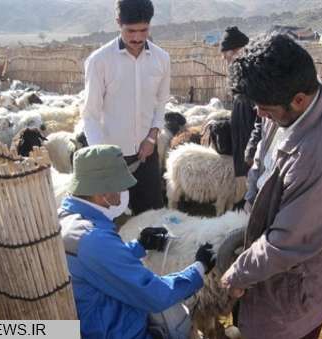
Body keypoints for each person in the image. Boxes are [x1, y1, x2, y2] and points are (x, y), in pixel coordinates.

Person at [220, 34, 322, 339]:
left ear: (298, 100)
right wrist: (250, 202)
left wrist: (238, 274)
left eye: (265, 108)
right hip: (270, 272)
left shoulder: (321, 156)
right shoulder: (291, 104)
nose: (259, 114)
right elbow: (262, 158)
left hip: (293, 292)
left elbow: (286, 243)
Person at [59, 145, 216, 339]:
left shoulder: (66, 219)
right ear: (104, 194)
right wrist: (199, 268)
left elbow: (97, 265)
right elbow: (156, 295)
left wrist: (139, 246)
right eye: (119, 188)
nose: (122, 195)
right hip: (116, 331)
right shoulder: (94, 238)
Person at [81, 0, 169, 215]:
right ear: (118, 22)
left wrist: (151, 137)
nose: (138, 38)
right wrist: (105, 166)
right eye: (131, 31)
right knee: (109, 217)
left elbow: (161, 102)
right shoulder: (99, 61)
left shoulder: (162, 59)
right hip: (111, 159)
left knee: (151, 216)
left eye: (144, 30)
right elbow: (90, 115)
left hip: (146, 155)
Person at [220, 26, 262, 180]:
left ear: (238, 51)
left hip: (253, 148)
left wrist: (252, 149)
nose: (224, 59)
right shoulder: (239, 78)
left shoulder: (254, 78)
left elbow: (261, 118)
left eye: (226, 54)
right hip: (243, 143)